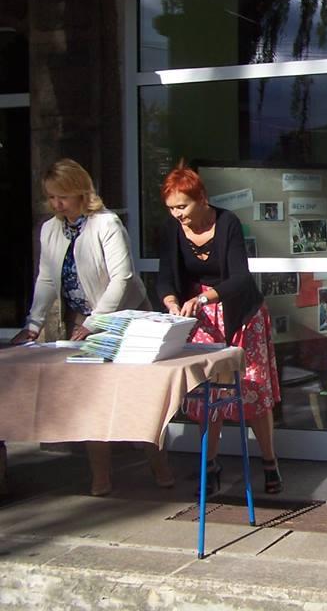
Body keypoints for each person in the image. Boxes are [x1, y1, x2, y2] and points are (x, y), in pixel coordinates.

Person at [11, 158, 174, 496]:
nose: (57, 204)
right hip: (84, 320)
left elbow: (122, 278)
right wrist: (33, 324)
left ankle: (160, 467)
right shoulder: (50, 229)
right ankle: (101, 476)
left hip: (126, 318)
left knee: (138, 398)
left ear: (80, 192)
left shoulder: (106, 223)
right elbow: (46, 279)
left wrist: (95, 321)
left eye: (63, 197)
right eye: (51, 197)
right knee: (92, 399)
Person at [158, 163, 283, 494]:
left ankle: (269, 462)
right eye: (171, 208)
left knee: (252, 390)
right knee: (208, 393)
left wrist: (204, 298)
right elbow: (166, 276)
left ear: (202, 199)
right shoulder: (172, 230)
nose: (177, 214)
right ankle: (210, 464)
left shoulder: (227, 222)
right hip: (201, 318)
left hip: (241, 313)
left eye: (182, 206)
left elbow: (240, 278)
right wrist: (171, 301)